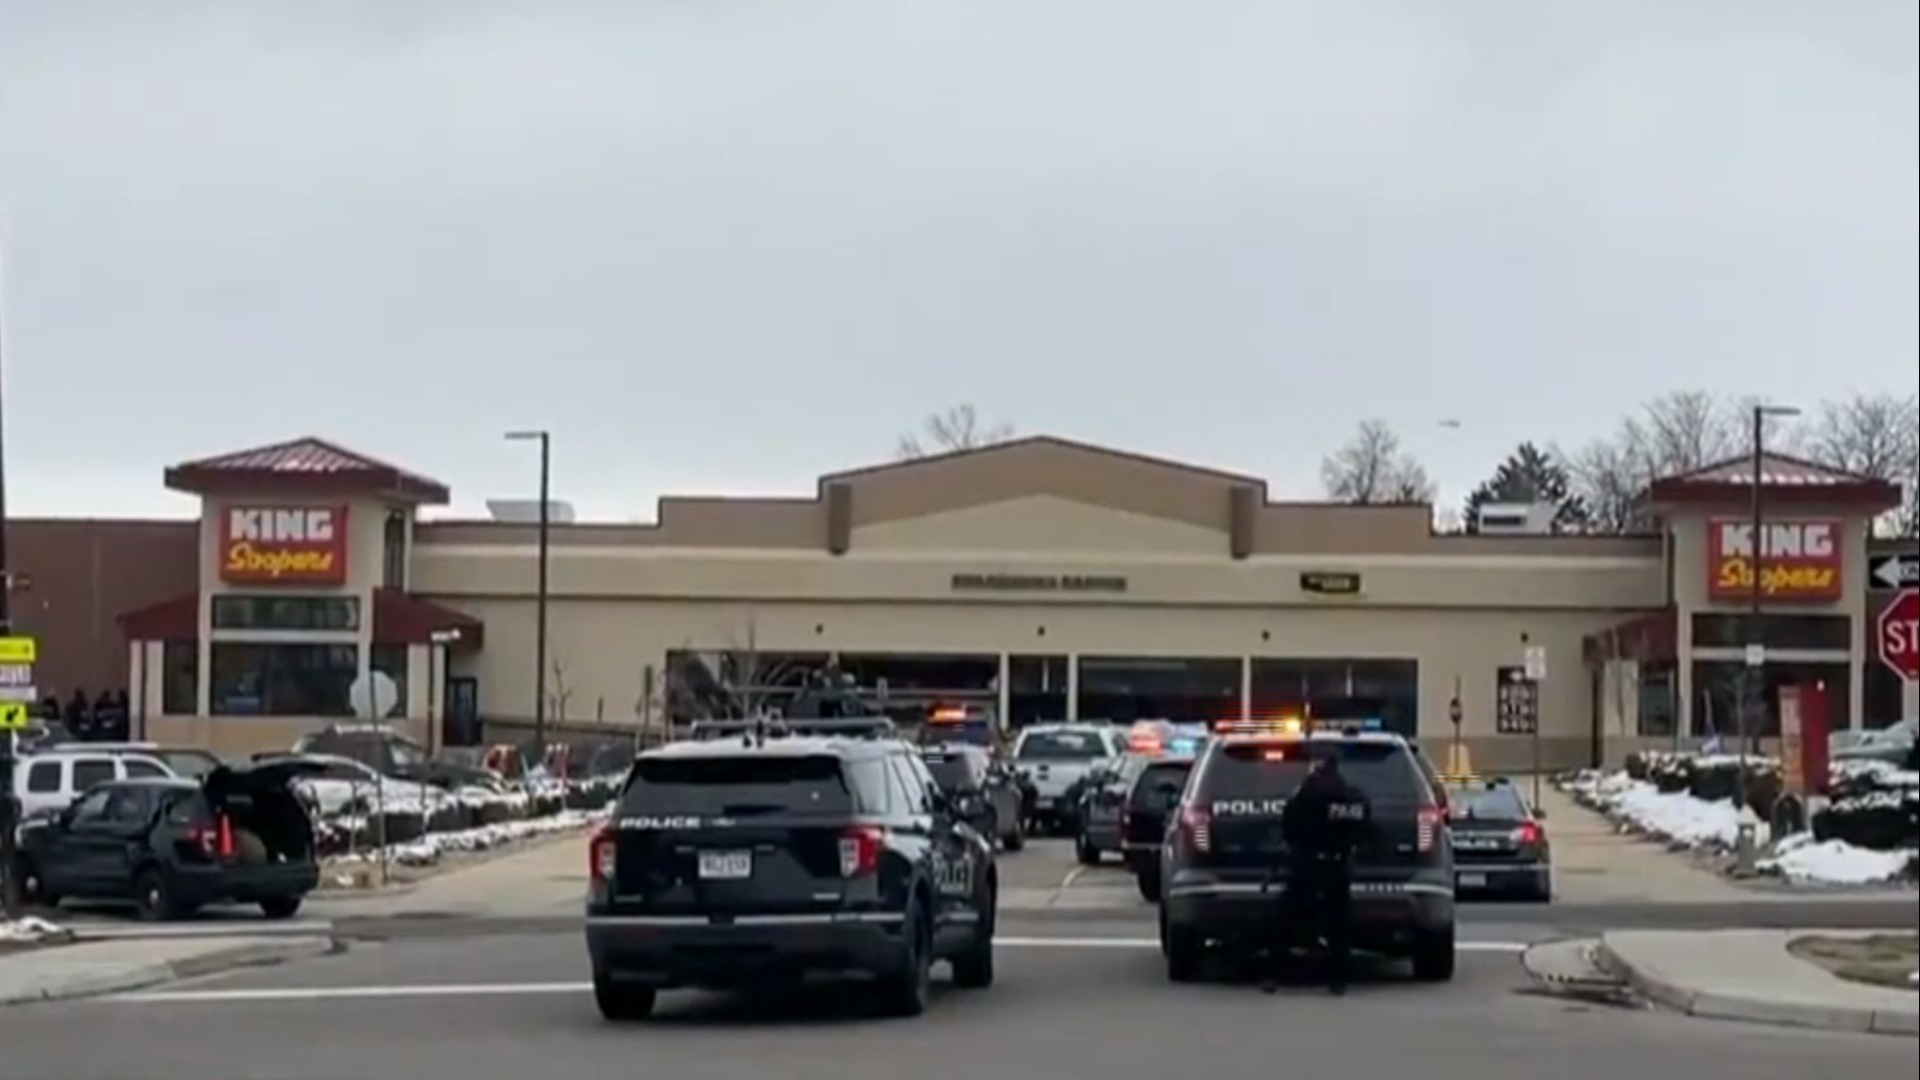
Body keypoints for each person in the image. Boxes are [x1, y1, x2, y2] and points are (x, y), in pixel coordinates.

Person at [1274, 752, 1373, 995]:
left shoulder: (1309, 793)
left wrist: (1296, 849)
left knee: (1286, 918)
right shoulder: (1354, 797)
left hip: (1309, 865)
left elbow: (1289, 825)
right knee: (1339, 924)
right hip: (1339, 866)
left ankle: (1277, 973)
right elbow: (1365, 829)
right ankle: (1338, 980)